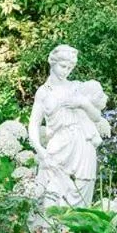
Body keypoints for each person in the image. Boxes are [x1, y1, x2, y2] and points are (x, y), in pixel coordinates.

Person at [27, 45, 107, 209]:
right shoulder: (44, 92)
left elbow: (97, 116)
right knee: (52, 198)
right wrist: (40, 151)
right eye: (63, 66)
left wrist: (83, 103)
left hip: (83, 145)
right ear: (52, 62)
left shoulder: (77, 87)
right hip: (59, 146)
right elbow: (33, 125)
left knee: (83, 200)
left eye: (70, 68)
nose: (66, 71)